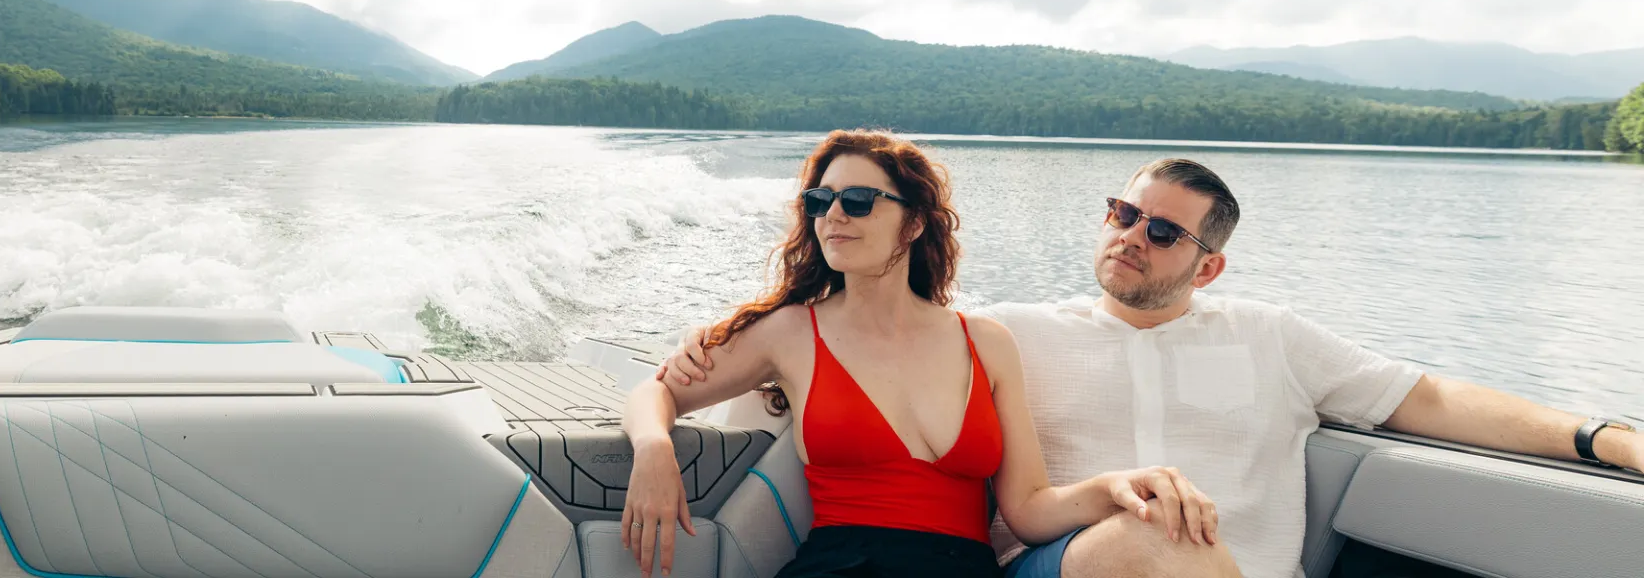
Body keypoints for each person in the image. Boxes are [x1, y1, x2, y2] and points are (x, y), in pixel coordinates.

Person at [661, 156, 1644, 578]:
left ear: (1207, 263)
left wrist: (1595, 435)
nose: (1130, 235)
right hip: (1067, 567)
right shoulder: (1005, 332)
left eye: (1162, 230)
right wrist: (750, 371)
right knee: (1153, 541)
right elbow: (856, 341)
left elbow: (1427, 397)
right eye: (1121, 211)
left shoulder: (1273, 336)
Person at [620, 131, 1243, 578]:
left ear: (914, 224)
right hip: (843, 565)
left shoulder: (986, 343)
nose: (834, 214)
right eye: (820, 201)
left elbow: (1026, 509)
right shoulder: (790, 332)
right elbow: (660, 391)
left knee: (1166, 536)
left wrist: (1116, 486)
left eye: (858, 201)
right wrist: (653, 447)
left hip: (964, 568)